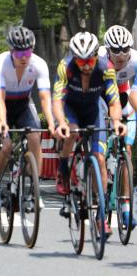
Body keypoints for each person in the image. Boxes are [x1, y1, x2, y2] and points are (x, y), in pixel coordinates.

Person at [53, 30, 125, 236]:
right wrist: (60, 123)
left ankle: (101, 217)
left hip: (94, 110)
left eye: (90, 60)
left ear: (96, 56)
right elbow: (57, 100)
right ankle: (63, 172)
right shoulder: (65, 67)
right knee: (72, 132)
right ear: (74, 58)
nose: (86, 65)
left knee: (100, 159)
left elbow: (113, 101)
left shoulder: (106, 68)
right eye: (81, 61)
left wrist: (117, 121)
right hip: (71, 109)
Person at [0, 26, 55, 210]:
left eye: (27, 51)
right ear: (11, 51)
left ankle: (34, 190)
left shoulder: (38, 64)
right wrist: (2, 122)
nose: (24, 57)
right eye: (19, 53)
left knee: (35, 138)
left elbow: (44, 98)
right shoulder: (0, 63)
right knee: (5, 145)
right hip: (2, 105)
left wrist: (50, 122)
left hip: (24, 104)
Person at [98, 25, 137, 228]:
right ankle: (101, 200)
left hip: (123, 96)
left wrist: (127, 116)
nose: (121, 55)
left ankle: (125, 207)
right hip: (100, 97)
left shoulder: (136, 60)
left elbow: (134, 96)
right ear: (107, 50)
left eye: (125, 50)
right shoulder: (99, 61)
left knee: (127, 151)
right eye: (116, 50)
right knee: (101, 154)